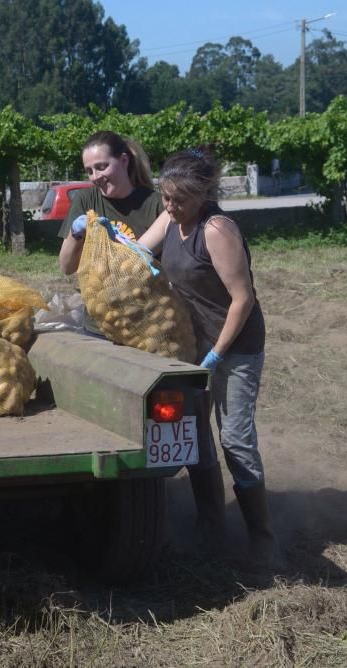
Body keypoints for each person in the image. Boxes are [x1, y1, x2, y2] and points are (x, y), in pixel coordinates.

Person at [138, 147, 274, 565]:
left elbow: (242, 299)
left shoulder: (216, 229)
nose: (171, 206)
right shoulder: (170, 218)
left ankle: (262, 539)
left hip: (233, 346)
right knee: (195, 438)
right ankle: (212, 529)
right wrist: (116, 243)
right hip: (191, 347)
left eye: (180, 199)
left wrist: (216, 354)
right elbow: (139, 250)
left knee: (234, 439)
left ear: (204, 193)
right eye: (165, 197)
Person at [57, 131, 164, 275]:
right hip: (99, 296)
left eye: (101, 167)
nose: (95, 177)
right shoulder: (85, 200)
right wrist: (75, 234)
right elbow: (66, 268)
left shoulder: (156, 204)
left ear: (124, 161)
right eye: (89, 171)